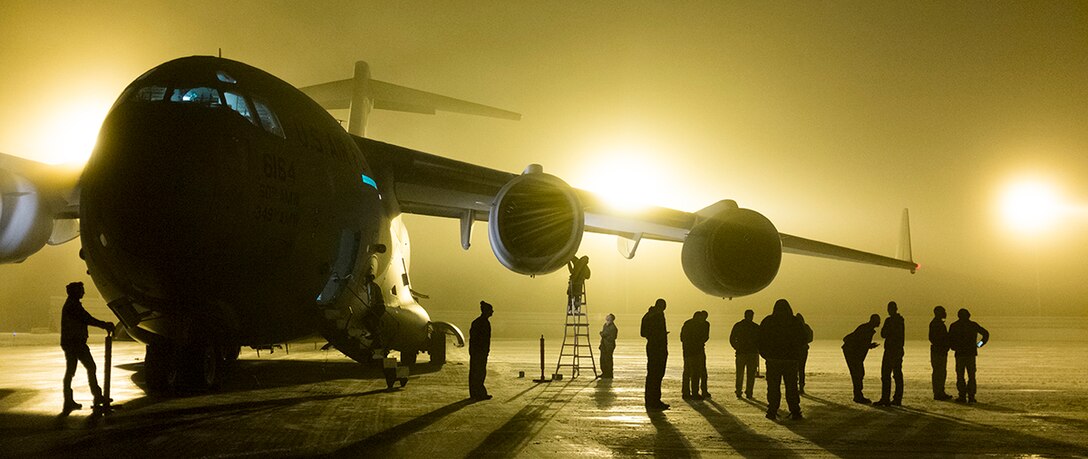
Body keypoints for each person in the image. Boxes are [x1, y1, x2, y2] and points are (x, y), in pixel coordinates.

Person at [60, 281, 115, 415]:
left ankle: (70, 400)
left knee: (72, 371)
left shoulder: (72, 304)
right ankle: (96, 396)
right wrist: (104, 325)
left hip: (72, 342)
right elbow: (87, 319)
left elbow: (86, 318)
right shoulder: (73, 306)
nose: (83, 292)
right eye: (81, 290)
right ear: (75, 292)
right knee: (89, 367)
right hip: (75, 343)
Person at [758, 299, 805, 420]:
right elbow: (802, 339)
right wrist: (797, 356)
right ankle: (795, 410)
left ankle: (772, 410)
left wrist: (765, 355)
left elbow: (760, 339)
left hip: (773, 360)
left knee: (773, 387)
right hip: (790, 360)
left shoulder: (768, 321)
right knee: (792, 387)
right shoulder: (795, 322)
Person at [948, 308, 989, 403]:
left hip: (960, 354)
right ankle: (971, 395)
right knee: (971, 375)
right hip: (970, 353)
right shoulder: (972, 325)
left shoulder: (954, 326)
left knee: (960, 375)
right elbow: (985, 334)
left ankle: (962, 395)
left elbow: (950, 339)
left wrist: (953, 346)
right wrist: (979, 345)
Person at [842, 314, 881, 404]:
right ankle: (858, 396)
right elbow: (858, 342)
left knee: (859, 373)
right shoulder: (866, 329)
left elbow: (861, 343)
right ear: (873, 321)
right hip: (851, 353)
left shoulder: (867, 329)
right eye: (878, 321)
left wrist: (869, 346)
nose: (879, 323)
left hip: (853, 353)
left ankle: (858, 395)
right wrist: (869, 346)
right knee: (857, 373)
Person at [640, 298, 669, 410]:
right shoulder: (657, 315)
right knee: (657, 375)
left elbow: (643, 333)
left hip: (653, 346)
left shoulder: (648, 315)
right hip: (658, 348)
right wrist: (658, 335)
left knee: (652, 375)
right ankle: (654, 401)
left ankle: (651, 400)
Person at [875, 301, 905, 407]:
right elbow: (883, 334)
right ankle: (888, 398)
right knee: (888, 375)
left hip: (894, 350)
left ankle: (894, 398)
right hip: (892, 350)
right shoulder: (894, 320)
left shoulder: (897, 321)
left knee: (894, 374)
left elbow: (885, 334)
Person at [730, 309, 760, 399]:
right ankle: (749, 392)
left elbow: (732, 338)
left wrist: (737, 347)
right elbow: (760, 339)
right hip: (751, 353)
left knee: (740, 373)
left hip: (742, 352)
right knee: (750, 374)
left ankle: (739, 391)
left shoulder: (738, 326)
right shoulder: (755, 327)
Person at [681, 311, 710, 400]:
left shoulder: (688, 324)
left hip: (688, 351)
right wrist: (698, 343)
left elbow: (682, 337)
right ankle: (695, 392)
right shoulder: (699, 325)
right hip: (696, 351)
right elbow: (704, 337)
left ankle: (686, 392)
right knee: (696, 373)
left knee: (688, 372)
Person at [469, 301, 494, 400]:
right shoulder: (483, 323)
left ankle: (475, 393)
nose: (492, 312)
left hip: (477, 352)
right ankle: (479, 393)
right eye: (491, 310)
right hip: (479, 352)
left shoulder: (477, 322)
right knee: (479, 372)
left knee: (475, 372)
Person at [929, 305, 954, 400]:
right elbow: (933, 338)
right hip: (938, 351)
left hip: (940, 351)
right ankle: (938, 392)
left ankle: (939, 391)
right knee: (938, 372)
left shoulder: (938, 323)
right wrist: (943, 345)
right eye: (943, 311)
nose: (945, 313)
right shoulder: (936, 324)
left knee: (941, 372)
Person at [796, 313, 813, 395]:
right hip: (803, 350)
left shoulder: (794, 327)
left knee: (795, 369)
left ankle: (796, 386)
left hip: (795, 351)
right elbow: (810, 338)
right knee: (801, 369)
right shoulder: (806, 327)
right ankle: (801, 386)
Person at [599, 313, 617, 379]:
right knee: (603, 359)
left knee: (608, 360)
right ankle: (604, 372)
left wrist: (603, 334)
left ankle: (608, 373)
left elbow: (612, 337)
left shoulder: (612, 327)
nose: (606, 317)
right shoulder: (605, 325)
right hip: (604, 345)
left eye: (608, 316)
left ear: (611, 319)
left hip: (609, 346)